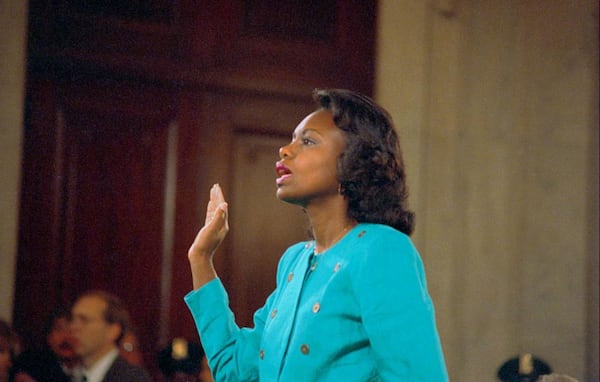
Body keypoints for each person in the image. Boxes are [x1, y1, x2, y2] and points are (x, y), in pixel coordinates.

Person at [184, 88, 448, 380]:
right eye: (292, 139)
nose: (285, 150)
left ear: (352, 162)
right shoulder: (294, 261)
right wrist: (201, 258)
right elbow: (235, 370)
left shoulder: (382, 249)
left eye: (307, 141)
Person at [70, 290, 152, 382]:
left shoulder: (131, 378)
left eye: (84, 320)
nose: (73, 327)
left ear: (112, 331)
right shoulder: (71, 376)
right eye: (73, 319)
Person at [12, 306, 81, 382]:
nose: (66, 337)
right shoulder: (30, 364)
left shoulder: (91, 367)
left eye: (72, 331)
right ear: (48, 337)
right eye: (59, 329)